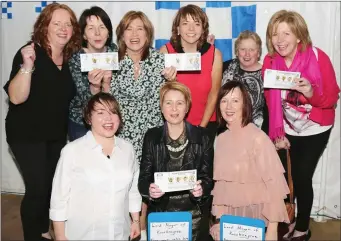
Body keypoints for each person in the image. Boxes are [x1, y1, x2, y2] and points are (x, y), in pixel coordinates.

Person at [3, 3, 80, 240]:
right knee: (37, 189)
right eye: (56, 23)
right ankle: (32, 236)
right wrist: (27, 67)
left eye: (68, 23)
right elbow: (16, 97)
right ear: (44, 26)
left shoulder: (69, 59)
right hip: (26, 135)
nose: (63, 28)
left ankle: (44, 230)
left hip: (55, 135)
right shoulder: (30, 52)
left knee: (49, 188)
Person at [262, 10, 340, 241]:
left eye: (287, 33)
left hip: (316, 127)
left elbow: (332, 98)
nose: (280, 39)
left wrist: (310, 92)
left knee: (302, 176)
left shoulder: (318, 57)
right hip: (287, 127)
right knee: (285, 177)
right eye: (275, 34)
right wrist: (277, 132)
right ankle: (290, 215)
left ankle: (304, 226)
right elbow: (270, 99)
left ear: (299, 36)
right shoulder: (270, 61)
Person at [111, 11, 176, 237]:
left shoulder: (160, 61)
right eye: (129, 28)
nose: (135, 34)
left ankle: (143, 230)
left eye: (140, 28)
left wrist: (171, 80)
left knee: (146, 186)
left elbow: (171, 98)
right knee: (122, 185)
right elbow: (104, 100)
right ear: (121, 34)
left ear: (148, 34)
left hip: (152, 136)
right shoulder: (113, 61)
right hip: (122, 136)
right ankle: (122, 229)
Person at [50, 92, 141, 240]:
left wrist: (135, 221)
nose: (108, 118)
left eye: (113, 112)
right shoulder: (72, 151)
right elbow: (59, 198)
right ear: (88, 118)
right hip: (84, 235)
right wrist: (60, 236)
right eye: (100, 112)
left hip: (120, 234)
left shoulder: (127, 149)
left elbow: (133, 190)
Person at [210, 81, 290, 241]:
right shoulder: (221, 139)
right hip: (231, 221)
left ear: (244, 104)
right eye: (224, 101)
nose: (229, 107)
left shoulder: (258, 138)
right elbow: (221, 186)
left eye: (235, 101)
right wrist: (219, 221)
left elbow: (275, 187)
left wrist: (272, 230)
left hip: (257, 219)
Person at [138, 81, 214, 241]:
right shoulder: (151, 137)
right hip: (161, 214)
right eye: (168, 103)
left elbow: (208, 179)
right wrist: (150, 191)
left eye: (179, 103)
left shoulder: (203, 137)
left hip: (194, 215)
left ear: (187, 107)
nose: (174, 109)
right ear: (161, 107)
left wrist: (202, 190)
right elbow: (143, 178)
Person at [159, 4, 223, 139]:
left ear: (203, 29)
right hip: (173, 124)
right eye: (185, 23)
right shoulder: (166, 52)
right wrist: (170, 81)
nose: (191, 29)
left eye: (197, 23)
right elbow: (161, 94)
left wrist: (201, 128)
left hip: (205, 125)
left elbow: (214, 94)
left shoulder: (214, 55)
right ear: (177, 29)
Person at [68, 6, 118, 141]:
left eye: (102, 27)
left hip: (110, 120)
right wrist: (94, 87)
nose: (97, 33)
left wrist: (107, 84)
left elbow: (118, 95)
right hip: (81, 122)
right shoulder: (75, 58)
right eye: (91, 28)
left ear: (108, 32)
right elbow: (78, 101)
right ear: (83, 34)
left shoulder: (115, 53)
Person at [221, 30, 267, 131]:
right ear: (237, 52)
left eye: (252, 50)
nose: (247, 54)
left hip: (255, 135)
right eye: (243, 49)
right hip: (226, 131)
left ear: (258, 53)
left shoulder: (266, 75)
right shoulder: (225, 67)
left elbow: (271, 111)